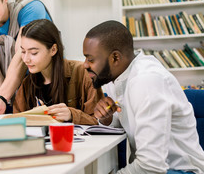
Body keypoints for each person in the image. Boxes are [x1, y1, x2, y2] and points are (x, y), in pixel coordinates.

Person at [82, 20, 204, 173]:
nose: (84, 65)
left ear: (115, 58)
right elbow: (127, 122)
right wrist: (107, 118)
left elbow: (151, 166)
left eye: (90, 59)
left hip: (180, 170)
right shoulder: (117, 77)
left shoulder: (146, 81)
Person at [13, 19, 103, 124]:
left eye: (34, 53)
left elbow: (99, 121)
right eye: (23, 52)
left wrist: (71, 114)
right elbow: (16, 121)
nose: (26, 59)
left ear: (53, 50)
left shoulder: (83, 73)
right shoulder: (27, 84)